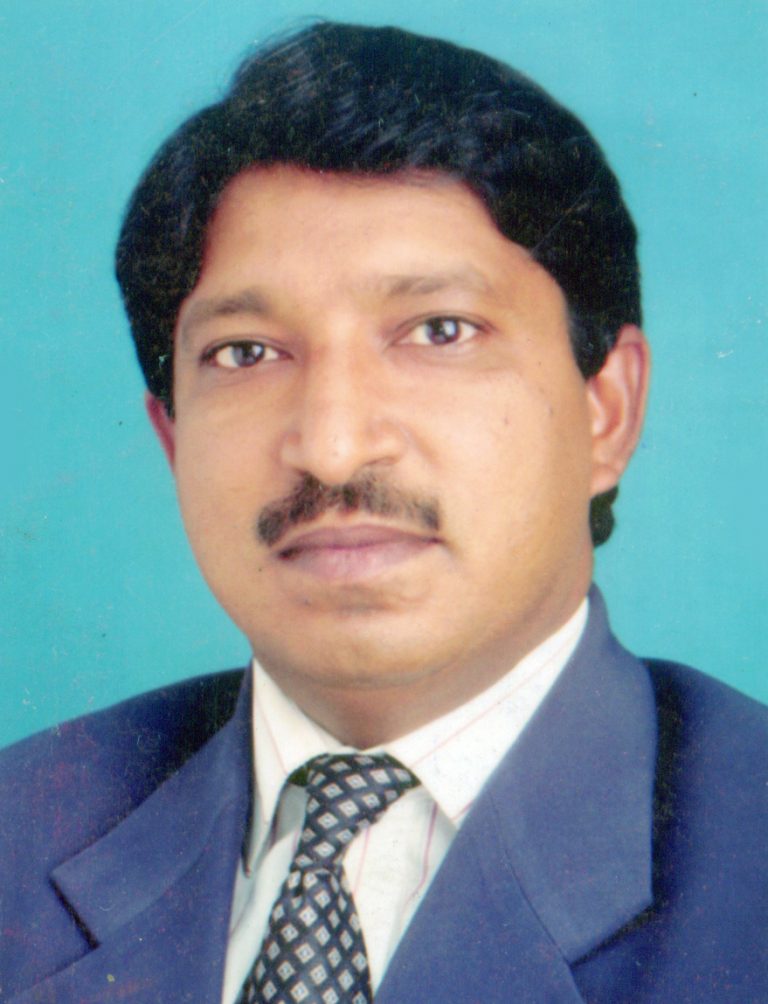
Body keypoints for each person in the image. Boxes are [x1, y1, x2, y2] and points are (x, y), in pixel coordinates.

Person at [1, 21, 765, 1004]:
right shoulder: (23, 828)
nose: (332, 445)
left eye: (439, 330)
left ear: (605, 410)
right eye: (246, 352)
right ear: (173, 437)